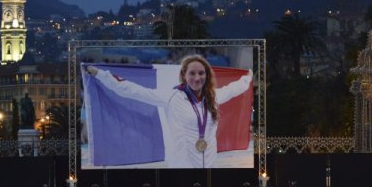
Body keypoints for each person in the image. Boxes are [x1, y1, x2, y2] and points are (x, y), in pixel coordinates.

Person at [85, 55, 253, 168]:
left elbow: (235, 88)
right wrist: (101, 74)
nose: (197, 78)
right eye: (192, 73)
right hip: (182, 165)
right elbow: (132, 90)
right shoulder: (171, 97)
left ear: (207, 76)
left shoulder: (213, 97)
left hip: (209, 163)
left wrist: (249, 76)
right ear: (184, 75)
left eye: (201, 73)